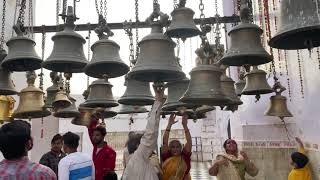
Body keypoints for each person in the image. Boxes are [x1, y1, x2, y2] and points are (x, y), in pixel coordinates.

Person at [122, 83, 165, 180]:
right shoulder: (139, 156)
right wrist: (158, 101)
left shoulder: (131, 163)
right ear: (139, 146)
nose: (151, 149)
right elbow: (150, 133)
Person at [161, 113, 192, 180]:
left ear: (181, 148)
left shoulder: (185, 157)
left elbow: (189, 142)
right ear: (169, 148)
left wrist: (185, 126)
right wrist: (169, 124)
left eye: (177, 147)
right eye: (173, 147)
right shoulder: (167, 157)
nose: (175, 149)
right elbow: (165, 142)